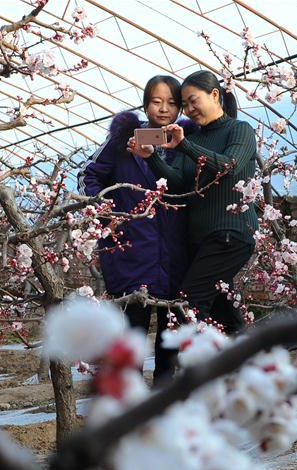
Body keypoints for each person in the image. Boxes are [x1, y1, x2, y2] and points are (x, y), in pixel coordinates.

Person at [78, 75, 195, 382]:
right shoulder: (122, 141)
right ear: (145, 104)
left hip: (176, 252)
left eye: (172, 102)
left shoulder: (184, 143)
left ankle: (163, 399)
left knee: (172, 334)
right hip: (132, 249)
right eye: (157, 101)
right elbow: (90, 176)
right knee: (134, 328)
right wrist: (105, 213)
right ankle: (130, 400)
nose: (164, 109)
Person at [128, 70, 258, 334]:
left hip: (229, 234)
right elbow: (179, 186)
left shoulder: (239, 130)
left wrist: (184, 145)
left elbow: (228, 167)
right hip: (200, 241)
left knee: (189, 302)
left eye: (192, 100)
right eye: (184, 104)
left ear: (214, 94)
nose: (188, 109)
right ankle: (248, 360)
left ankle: (197, 371)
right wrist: (151, 157)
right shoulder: (194, 139)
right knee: (223, 310)